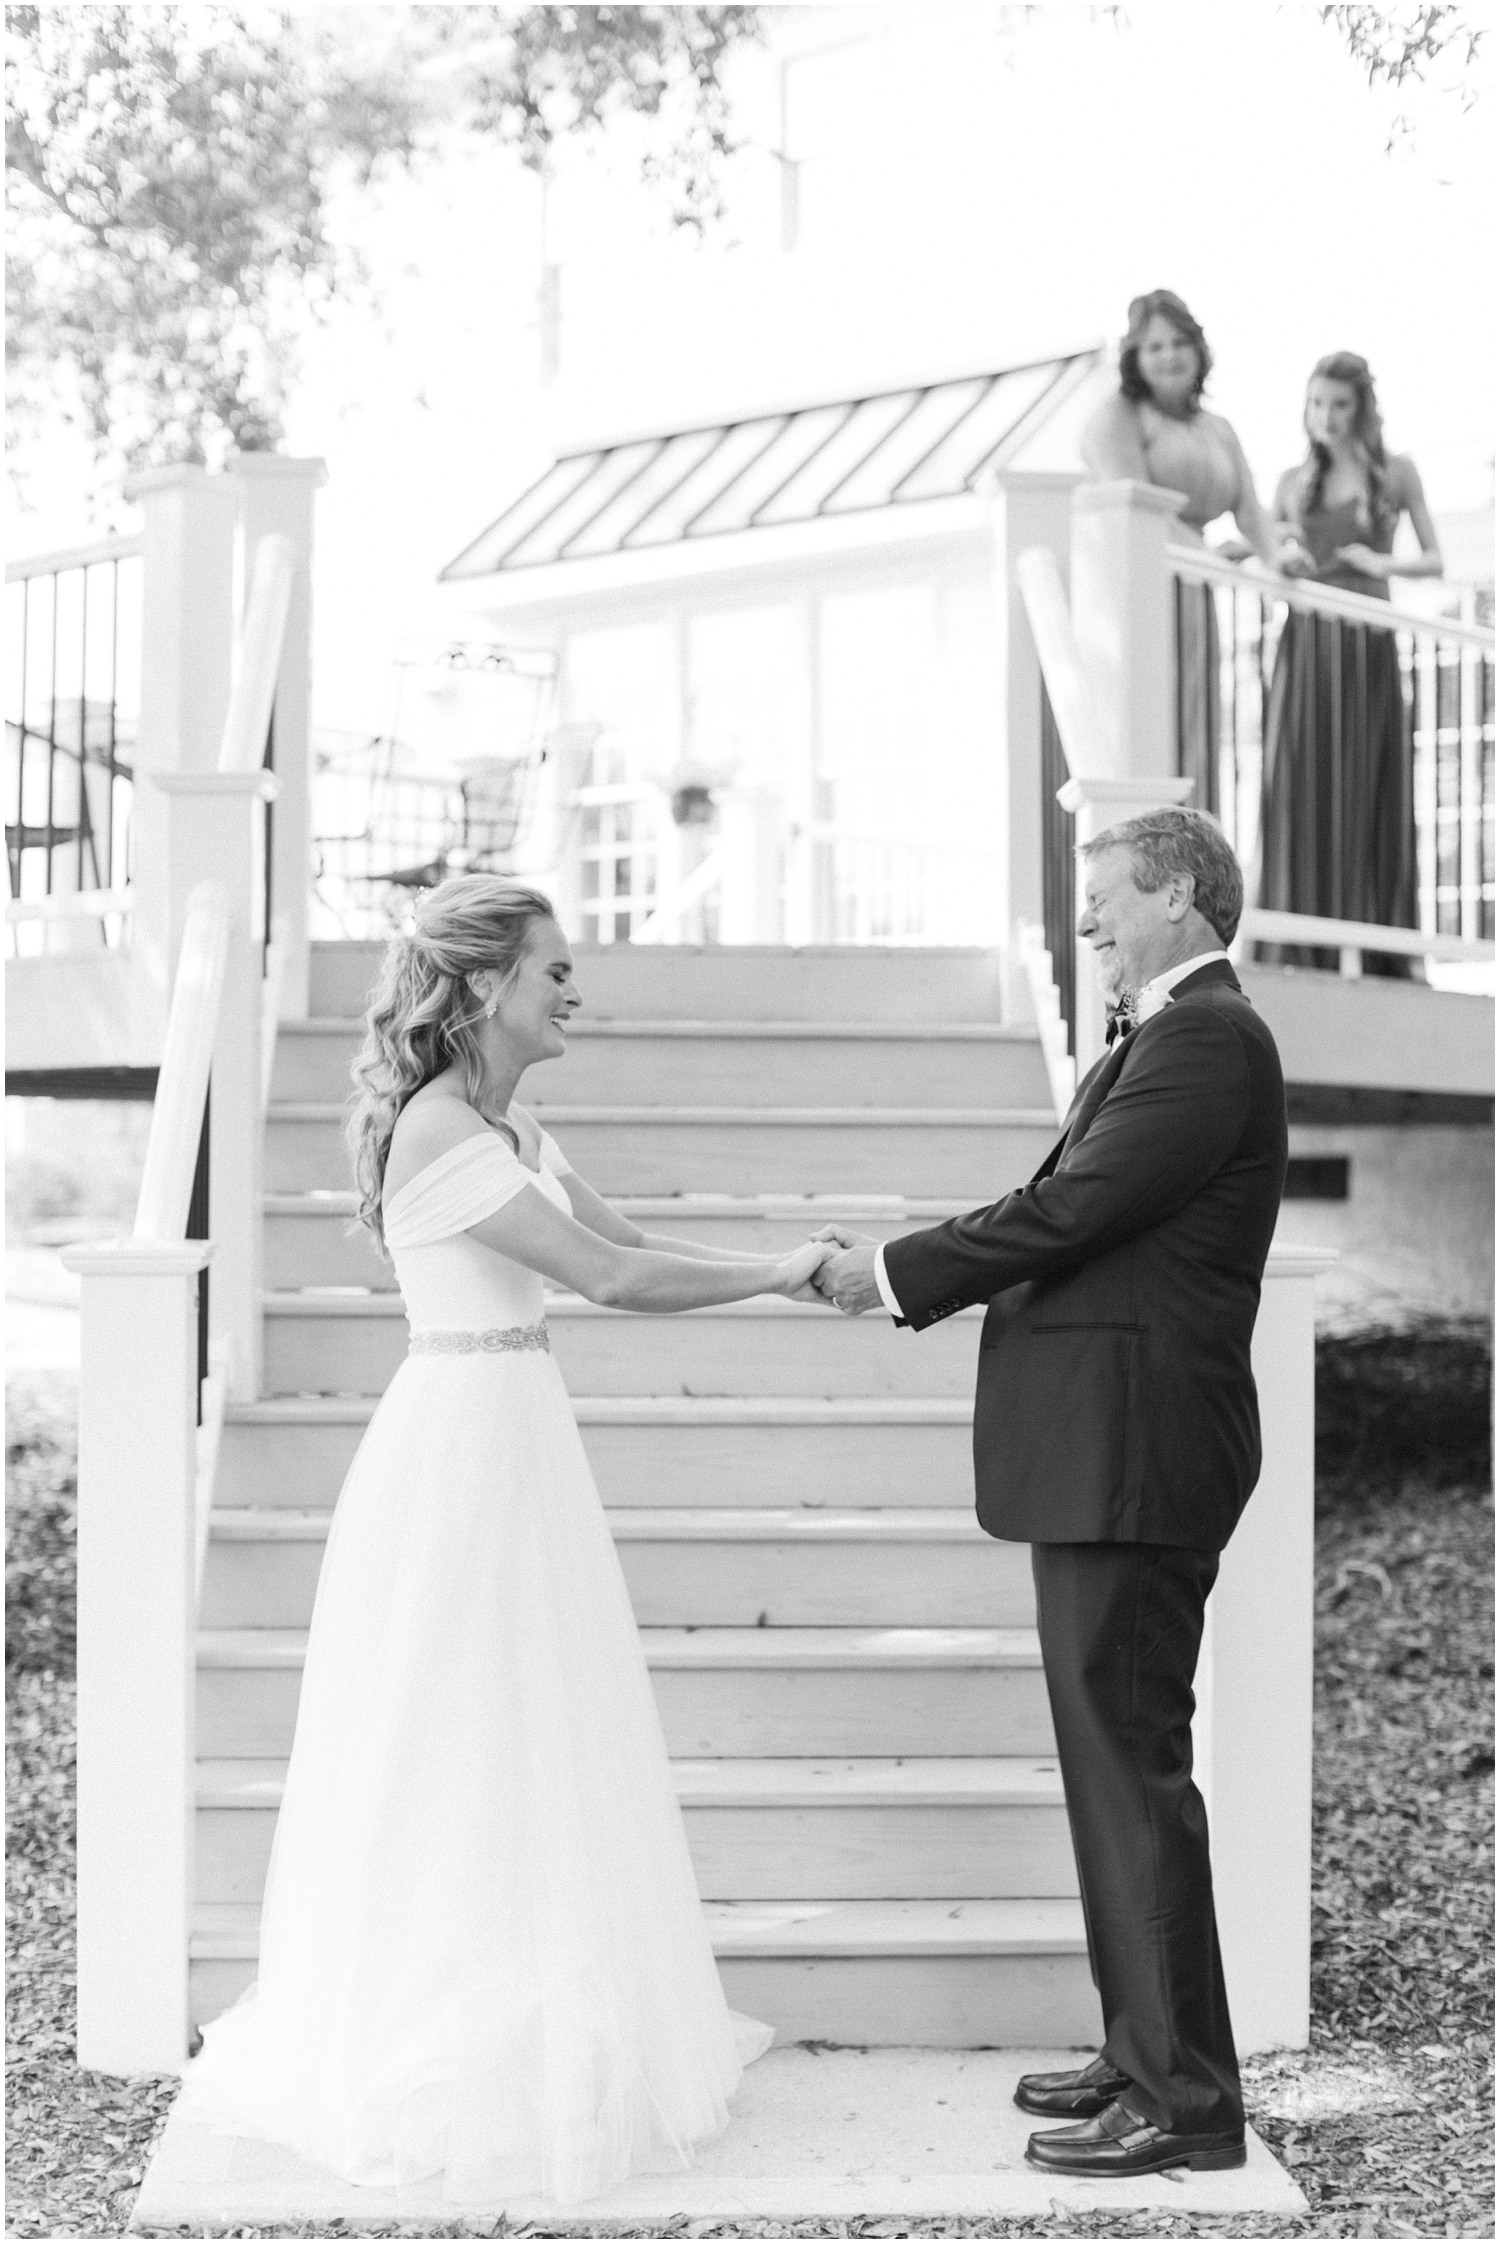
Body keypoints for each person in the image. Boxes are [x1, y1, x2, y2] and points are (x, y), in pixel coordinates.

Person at [179, 877, 834, 2205]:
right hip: (462, 1444)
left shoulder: (514, 1119)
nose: (572, 990)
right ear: (482, 987)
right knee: (461, 1729)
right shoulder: (436, 1136)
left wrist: (792, 1262)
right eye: (554, 970)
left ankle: (546, 2016)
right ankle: (455, 2037)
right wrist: (780, 1273)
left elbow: (632, 1238)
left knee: (536, 1727)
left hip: (516, 1427)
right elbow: (611, 1284)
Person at [811, 808, 1288, 2180]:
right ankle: (1143, 2046)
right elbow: (1078, 1205)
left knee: (1131, 1774)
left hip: (1136, 1459)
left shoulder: (1208, 1040)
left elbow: (1072, 1212)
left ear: (1185, 899)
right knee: (1109, 1772)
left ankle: (1186, 2099)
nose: (1087, 924)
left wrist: (896, 1271)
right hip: (1104, 1456)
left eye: (1107, 897)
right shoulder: (1171, 1036)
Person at [1258, 351, 1443, 974]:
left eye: (1340, 404)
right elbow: (1269, 547)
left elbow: (1434, 559)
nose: (1327, 417)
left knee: (1367, 779)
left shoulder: (1396, 472)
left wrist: (1378, 562)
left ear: (1361, 408)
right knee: (1303, 781)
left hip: (1367, 638)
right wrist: (1274, 553)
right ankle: (1301, 943)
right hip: (1308, 645)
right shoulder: (1289, 482)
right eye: (1317, 403)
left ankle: (1377, 945)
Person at [1082, 291, 1284, 820]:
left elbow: (1250, 511)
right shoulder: (1118, 416)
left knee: (1197, 717)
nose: (1169, 355)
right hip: (1138, 591)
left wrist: (1279, 561)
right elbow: (1136, 508)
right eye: (1154, 346)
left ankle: (1195, 842)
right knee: (1154, 719)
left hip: (1195, 588)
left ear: (1198, 349)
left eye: (1178, 342)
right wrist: (1208, 557)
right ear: (1134, 356)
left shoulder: (1217, 429)